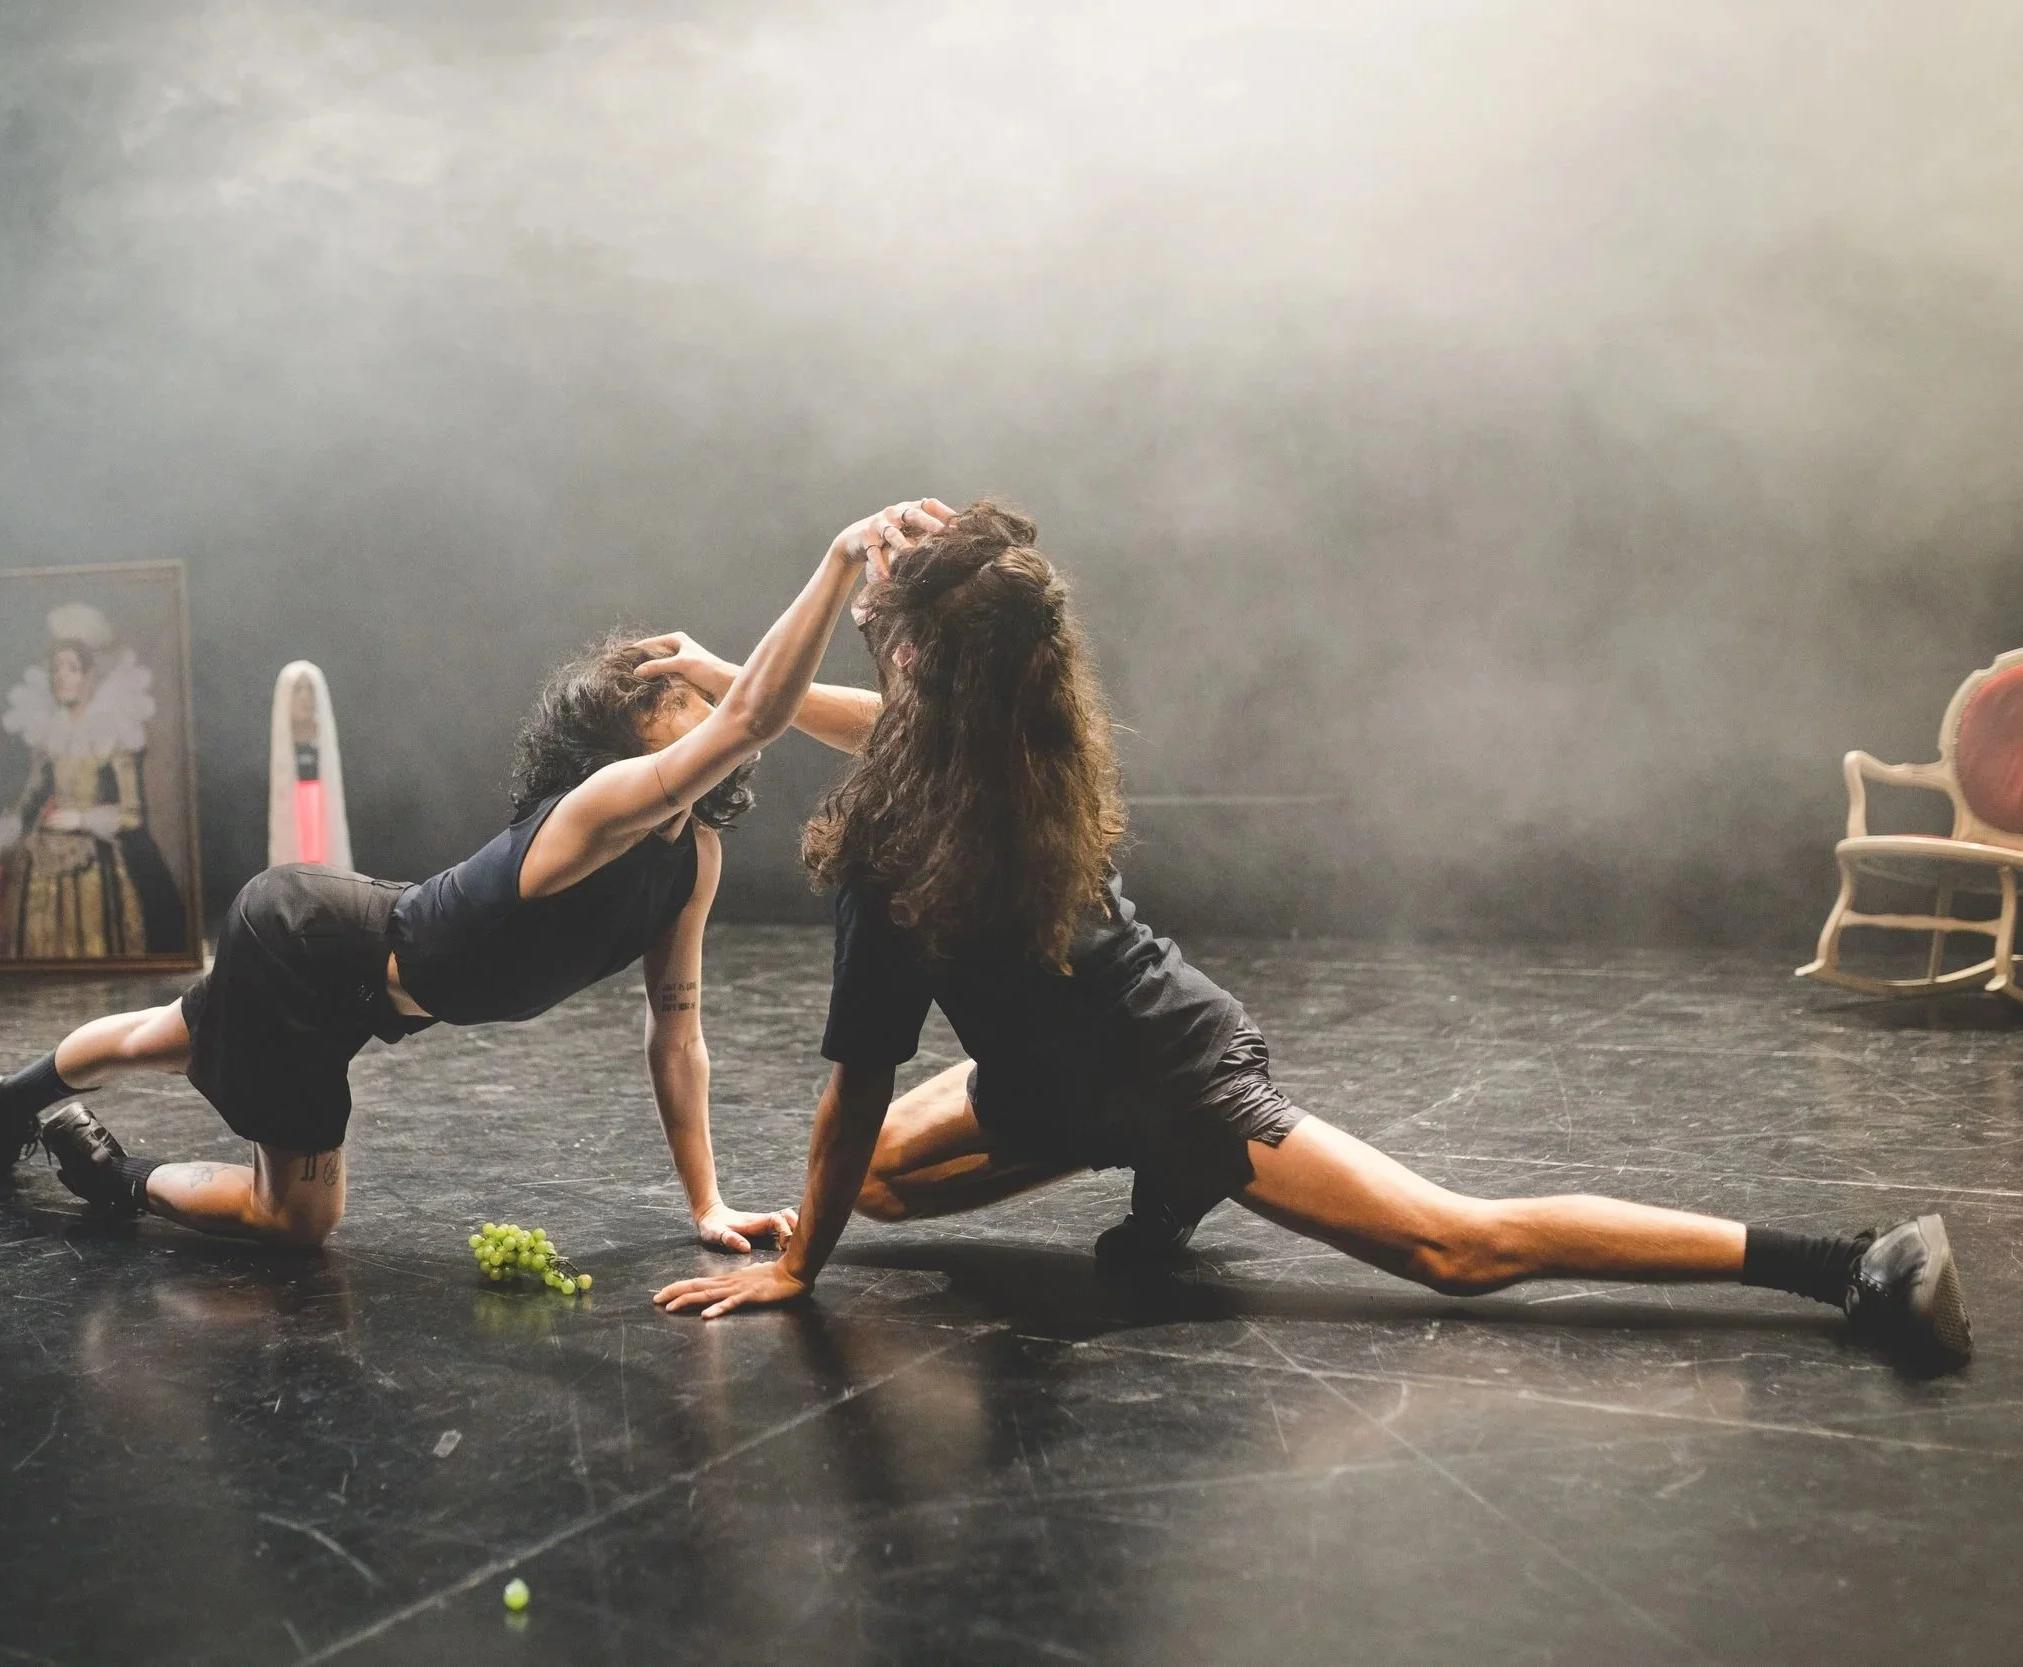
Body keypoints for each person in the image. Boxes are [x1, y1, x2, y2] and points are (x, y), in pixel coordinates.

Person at [651, 500, 1972, 1368]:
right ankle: (1148, 1180)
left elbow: (857, 1080)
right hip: (1055, 1081)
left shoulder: (899, 849)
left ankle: (1849, 1260)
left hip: (1169, 1075)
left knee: (1458, 1245)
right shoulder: (1007, 737)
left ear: (918, 667)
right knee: (879, 1180)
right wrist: (743, 677)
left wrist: (791, 1269)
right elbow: (878, 716)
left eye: (886, 628)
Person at [0, 502, 939, 1250]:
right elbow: (756, 715)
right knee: (296, 1223)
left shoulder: (692, 857)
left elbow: (677, 1033)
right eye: (683, 695)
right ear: (630, 734)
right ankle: (112, 1171)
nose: (713, 700)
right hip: (312, 940)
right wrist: (842, 558)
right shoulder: (597, 813)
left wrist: (707, 1202)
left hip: (367, 985)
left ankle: (6, 1104)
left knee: (165, 1036)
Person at [0, 603, 190, 959]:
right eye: (56, 669)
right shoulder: (52, 736)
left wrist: (83, 819)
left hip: (96, 865)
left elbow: (133, 814)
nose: (61, 676)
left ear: (90, 677)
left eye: (72, 668)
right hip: (42, 865)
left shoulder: (114, 736)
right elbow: (27, 802)